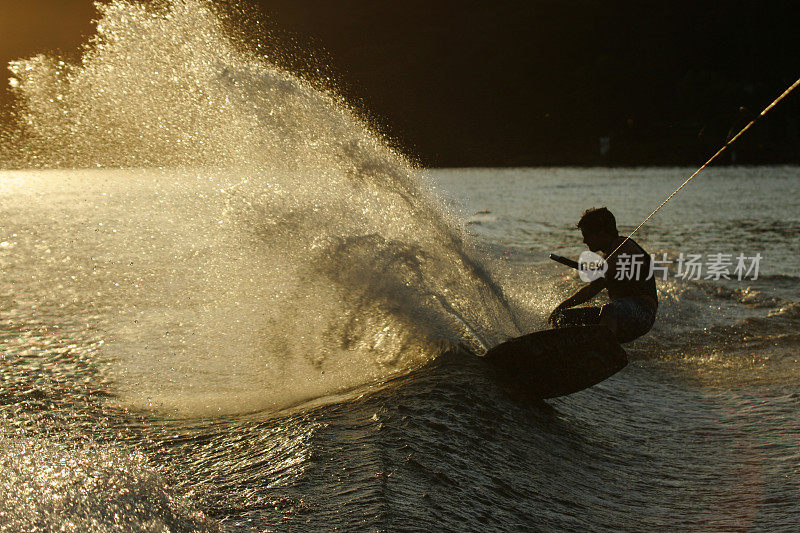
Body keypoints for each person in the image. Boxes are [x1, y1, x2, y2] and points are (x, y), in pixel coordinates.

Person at [548, 207, 657, 343]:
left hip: (643, 313)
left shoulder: (624, 246)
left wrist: (600, 272)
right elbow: (591, 288)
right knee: (562, 318)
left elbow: (597, 284)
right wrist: (561, 308)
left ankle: (604, 351)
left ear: (602, 232)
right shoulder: (608, 257)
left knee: (611, 309)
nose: (584, 241)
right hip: (621, 312)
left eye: (587, 235)